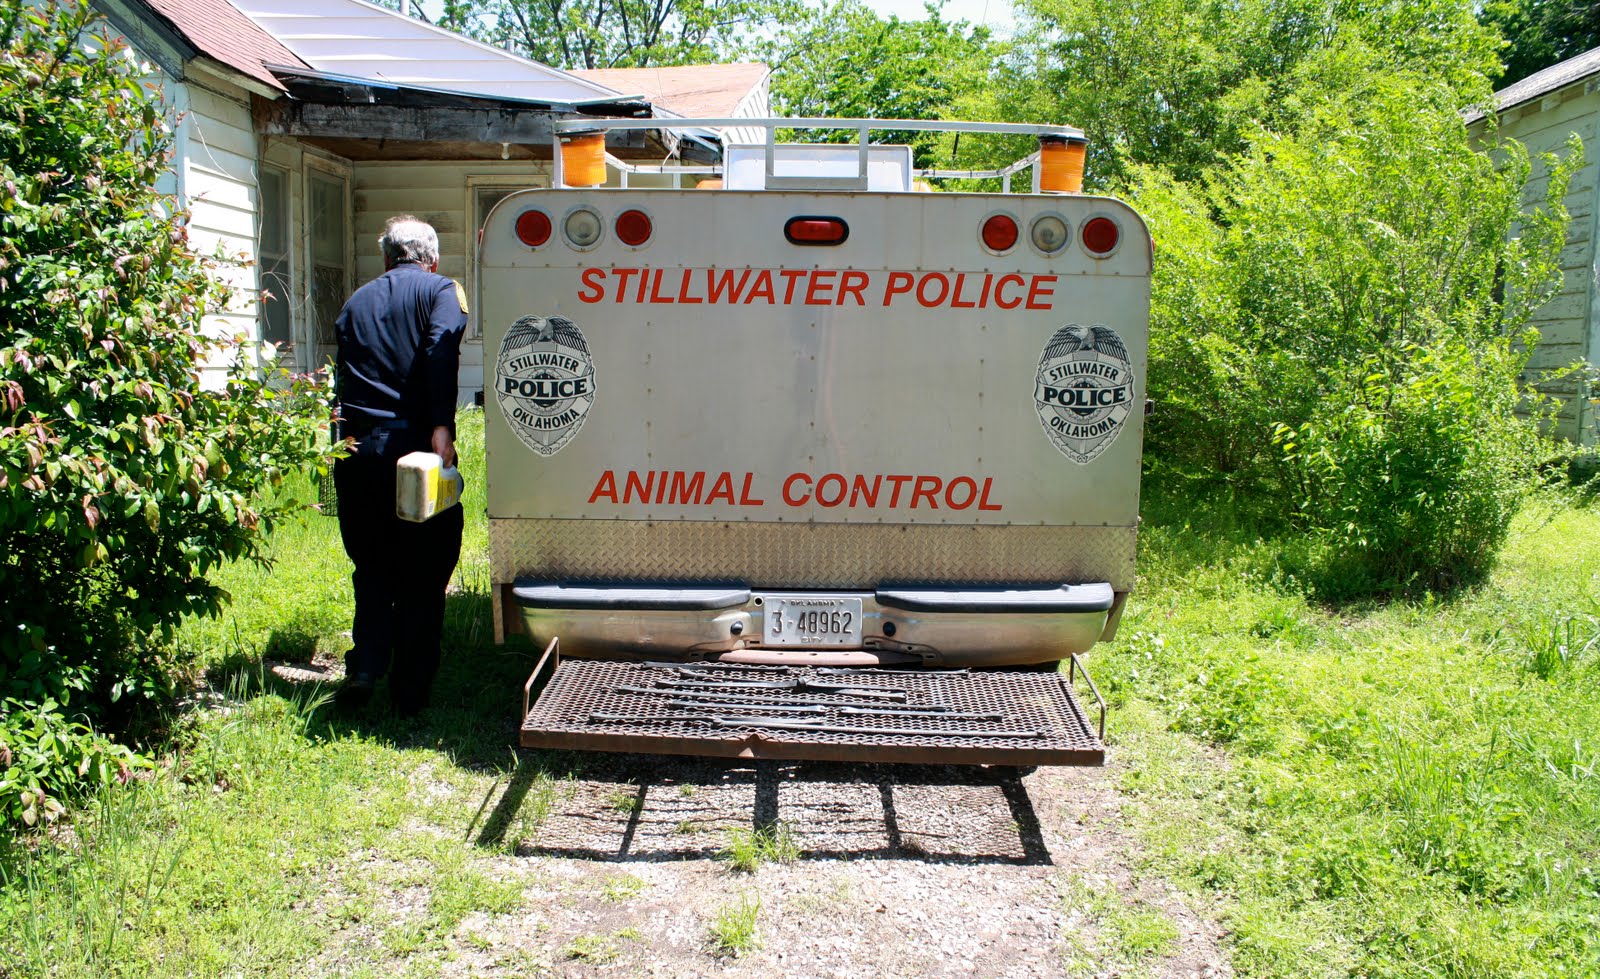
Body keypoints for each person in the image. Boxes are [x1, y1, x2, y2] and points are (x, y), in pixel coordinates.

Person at [332, 215, 467, 716]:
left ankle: (365, 667)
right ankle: (409, 693)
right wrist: (440, 425)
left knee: (371, 565)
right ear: (432, 259)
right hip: (414, 454)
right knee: (425, 571)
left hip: (357, 451)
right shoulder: (441, 292)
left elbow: (343, 380)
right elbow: (439, 349)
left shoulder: (355, 302)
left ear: (387, 258)